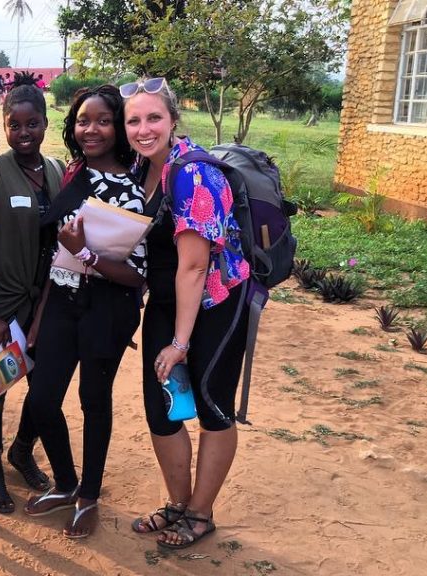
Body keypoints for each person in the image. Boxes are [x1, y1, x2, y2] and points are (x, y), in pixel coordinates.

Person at [123, 77, 251, 550]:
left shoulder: (194, 174)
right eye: (133, 120)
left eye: (153, 117)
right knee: (162, 406)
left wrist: (180, 343)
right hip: (166, 300)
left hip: (216, 302)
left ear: (173, 120)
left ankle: (200, 512)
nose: (143, 128)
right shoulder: (143, 167)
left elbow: (195, 267)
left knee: (212, 403)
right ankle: (177, 503)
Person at [21, 84, 146, 539]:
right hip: (61, 302)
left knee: (94, 402)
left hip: (106, 310)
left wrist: (86, 255)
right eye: (82, 120)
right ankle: (66, 481)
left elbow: (137, 276)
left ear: (117, 128)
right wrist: (39, 315)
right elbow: (55, 254)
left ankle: (88, 495)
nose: (90, 129)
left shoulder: (131, 191)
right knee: (41, 399)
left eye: (102, 121)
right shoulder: (75, 173)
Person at [0, 73, 67, 514]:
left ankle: (22, 450)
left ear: (46, 124)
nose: (24, 133)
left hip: (47, 302)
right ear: (6, 126)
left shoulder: (58, 171)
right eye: (14, 125)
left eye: (32, 124)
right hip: (1, 305)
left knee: (45, 390)